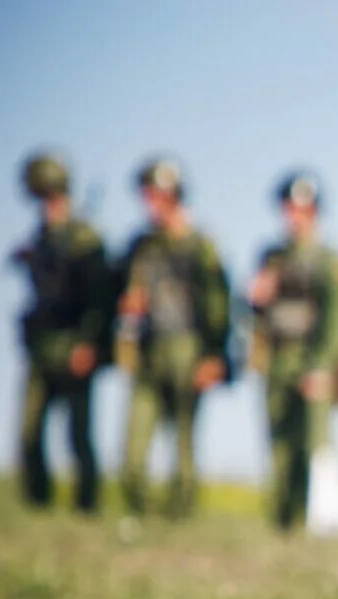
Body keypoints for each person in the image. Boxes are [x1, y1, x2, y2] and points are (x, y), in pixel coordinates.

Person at [116, 157, 230, 518]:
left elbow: (218, 304)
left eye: (158, 196)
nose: (152, 204)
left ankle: (180, 514)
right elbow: (113, 291)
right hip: (148, 350)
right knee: (134, 446)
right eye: (148, 196)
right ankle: (142, 512)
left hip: (188, 348)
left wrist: (215, 355)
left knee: (183, 440)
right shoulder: (140, 247)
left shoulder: (200, 246)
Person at [248, 173, 338, 532]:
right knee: (279, 445)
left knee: (314, 443)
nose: (294, 216)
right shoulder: (271, 258)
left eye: (302, 209)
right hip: (278, 360)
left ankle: (321, 521)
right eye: (290, 208)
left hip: (311, 360)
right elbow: (251, 312)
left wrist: (322, 366)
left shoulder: (328, 260)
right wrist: (253, 300)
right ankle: (283, 521)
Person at [12, 151, 111, 514]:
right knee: (30, 430)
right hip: (42, 346)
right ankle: (37, 502)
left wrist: (89, 342)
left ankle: (86, 503)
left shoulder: (85, 240)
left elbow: (100, 300)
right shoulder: (40, 238)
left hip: (74, 345)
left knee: (78, 434)